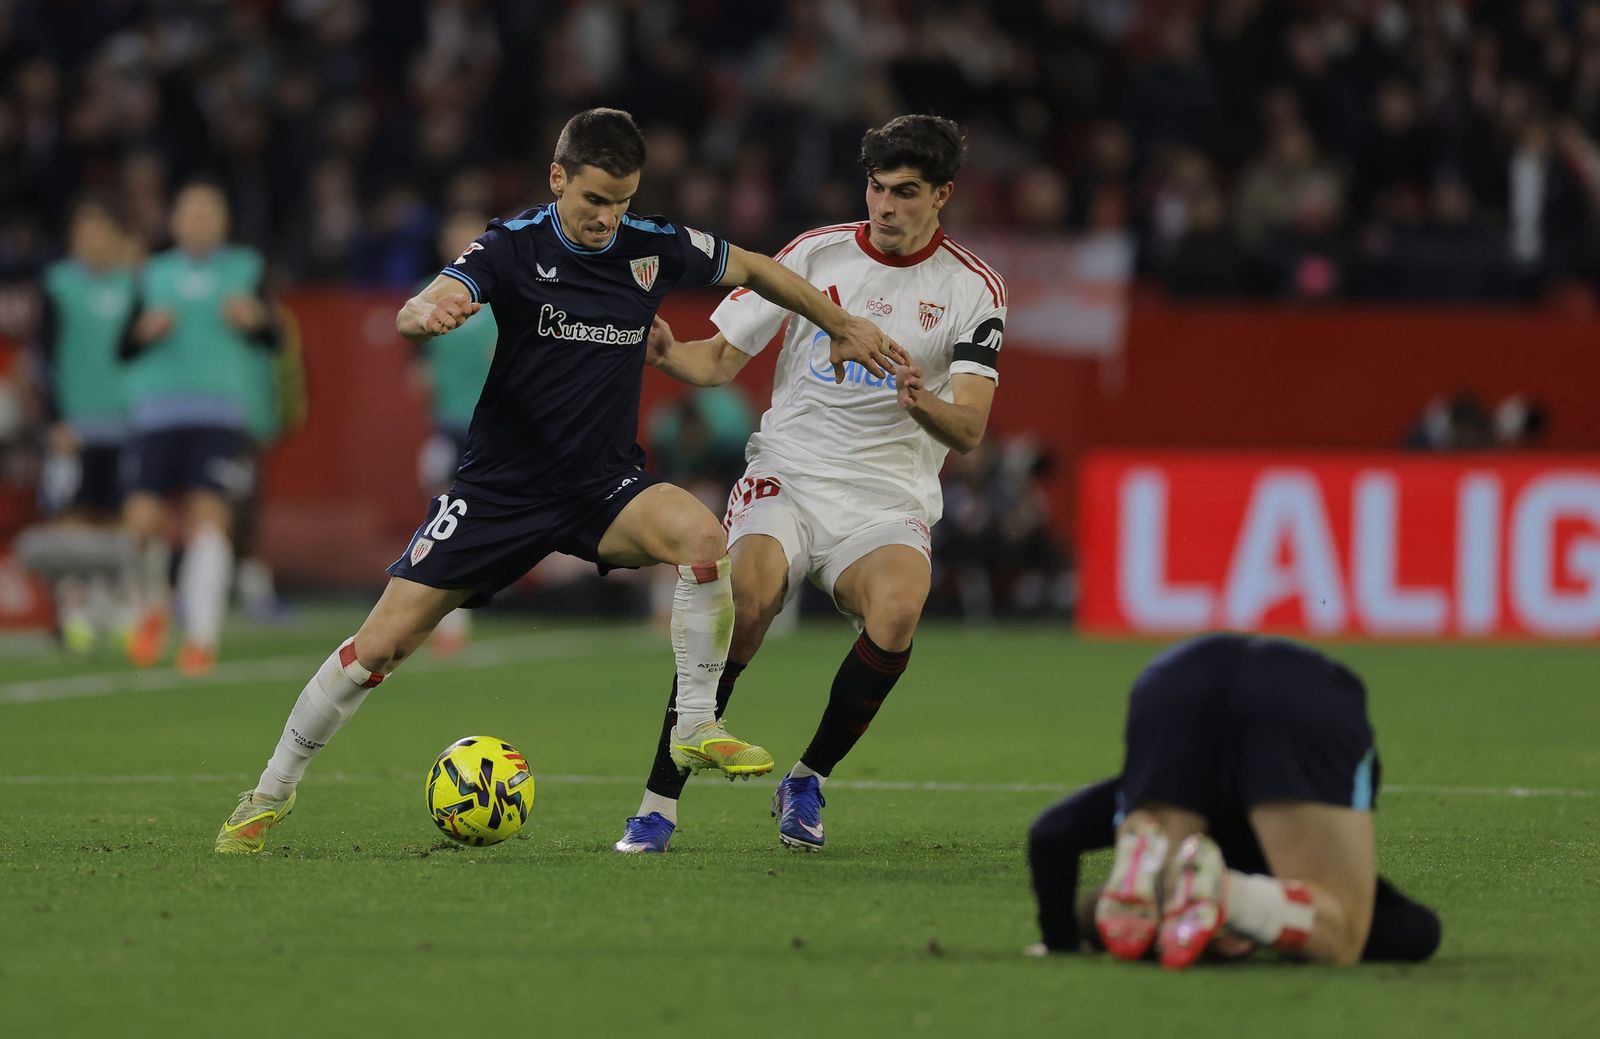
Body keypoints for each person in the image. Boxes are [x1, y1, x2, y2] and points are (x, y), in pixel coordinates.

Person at [214, 108, 902, 854]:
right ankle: (269, 793)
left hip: (601, 487)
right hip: (498, 493)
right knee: (380, 645)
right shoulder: (513, 246)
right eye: (595, 199)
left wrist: (836, 323)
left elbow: (761, 268)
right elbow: (436, 297)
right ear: (558, 179)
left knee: (703, 535)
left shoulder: (655, 246)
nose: (609, 217)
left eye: (623, 201)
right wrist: (426, 313)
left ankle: (698, 722)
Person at [614, 114, 1005, 853]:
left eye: (906, 193)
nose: (885, 207)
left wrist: (918, 397)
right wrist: (669, 355)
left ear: (943, 195)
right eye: (876, 188)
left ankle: (807, 776)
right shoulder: (813, 255)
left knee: (897, 612)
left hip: (887, 497)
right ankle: (657, 805)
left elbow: (973, 427)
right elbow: (719, 361)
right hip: (788, 474)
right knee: (749, 601)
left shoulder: (973, 288)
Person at [1027, 633, 1442, 967]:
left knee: (1349, 925)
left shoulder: (1263, 856)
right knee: (1343, 936)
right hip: (1180, 675)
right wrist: (1058, 939)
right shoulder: (1267, 849)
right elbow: (1050, 836)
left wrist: (1062, 945)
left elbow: (1052, 836)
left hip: (1189, 688)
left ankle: (1212, 890)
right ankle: (1223, 896)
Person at [119, 181, 280, 676]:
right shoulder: (151, 273)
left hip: (220, 413)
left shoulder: (247, 271)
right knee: (142, 522)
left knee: (209, 517)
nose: (197, 222)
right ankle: (154, 605)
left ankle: (201, 638)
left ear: (224, 222)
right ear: (174, 222)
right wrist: (142, 333)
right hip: (157, 412)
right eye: (189, 213)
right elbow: (122, 347)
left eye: (207, 213)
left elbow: (274, 338)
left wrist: (256, 322)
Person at [16, 196, 139, 654]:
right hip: (75, 427)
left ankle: (115, 609)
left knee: (116, 520)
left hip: (126, 425)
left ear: (116, 238)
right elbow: (42, 359)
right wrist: (54, 420)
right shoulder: (58, 285)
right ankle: (74, 614)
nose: (93, 241)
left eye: (101, 232)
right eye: (84, 232)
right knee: (71, 519)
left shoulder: (135, 286)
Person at [409, 208, 500, 655]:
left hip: (495, 422)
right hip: (448, 422)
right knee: (445, 508)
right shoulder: (427, 291)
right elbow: (417, 366)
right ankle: (446, 615)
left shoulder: (503, 292)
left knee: (478, 512)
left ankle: (464, 602)